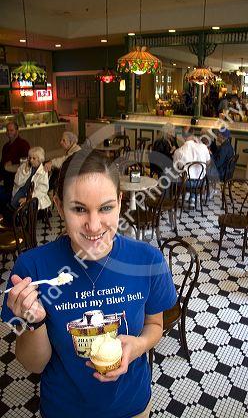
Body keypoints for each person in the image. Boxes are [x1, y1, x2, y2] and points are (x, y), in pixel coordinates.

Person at [1, 150, 177, 418]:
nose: (94, 226)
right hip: (64, 409)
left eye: (106, 208)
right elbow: (33, 365)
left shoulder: (147, 260)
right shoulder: (33, 270)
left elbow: (155, 325)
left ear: (120, 202)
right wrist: (34, 322)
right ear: (59, 206)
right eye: (79, 209)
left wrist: (138, 346)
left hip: (132, 407)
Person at [10, 146, 51, 211]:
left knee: (18, 209)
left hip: (34, 195)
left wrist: (28, 198)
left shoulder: (43, 171)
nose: (31, 160)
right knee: (13, 206)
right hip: (21, 191)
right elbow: (17, 182)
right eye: (30, 158)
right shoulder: (24, 166)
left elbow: (42, 190)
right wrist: (25, 172)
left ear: (39, 159)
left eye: (34, 158)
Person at [0, 121, 30, 206]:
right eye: (7, 130)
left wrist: (12, 161)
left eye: (11, 130)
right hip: (6, 179)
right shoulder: (5, 146)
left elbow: (27, 160)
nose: (9, 132)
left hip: (16, 181)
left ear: (17, 131)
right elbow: (2, 163)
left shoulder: (23, 144)